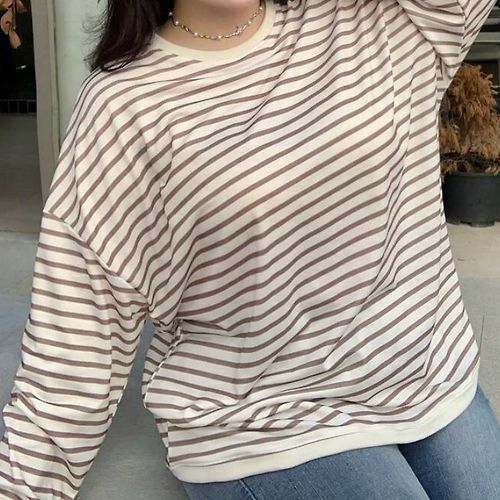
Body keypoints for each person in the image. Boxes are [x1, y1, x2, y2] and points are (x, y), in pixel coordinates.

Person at [1, 0, 500, 498]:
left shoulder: (380, 21)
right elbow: (81, 329)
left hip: (426, 367)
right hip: (263, 417)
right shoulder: (125, 105)